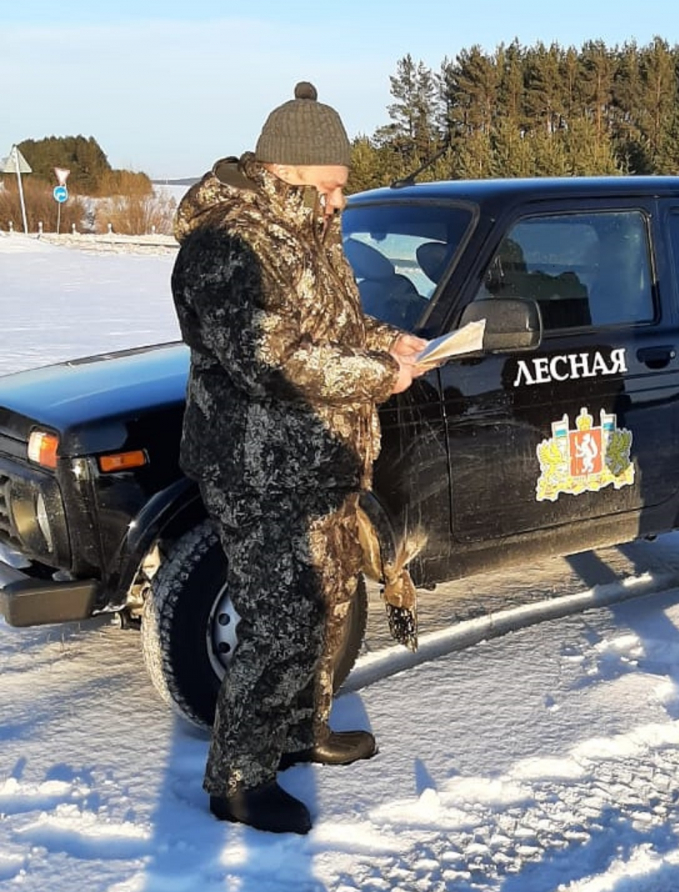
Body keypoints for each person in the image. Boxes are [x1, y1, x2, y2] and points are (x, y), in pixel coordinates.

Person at [170, 81, 428, 835]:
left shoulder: (305, 231)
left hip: (320, 460)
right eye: (332, 187)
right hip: (257, 469)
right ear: (284, 174)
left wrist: (389, 342)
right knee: (281, 621)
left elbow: (336, 323)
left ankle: (299, 730)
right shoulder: (225, 246)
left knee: (330, 603)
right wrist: (383, 378)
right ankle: (239, 778)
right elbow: (268, 358)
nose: (341, 202)